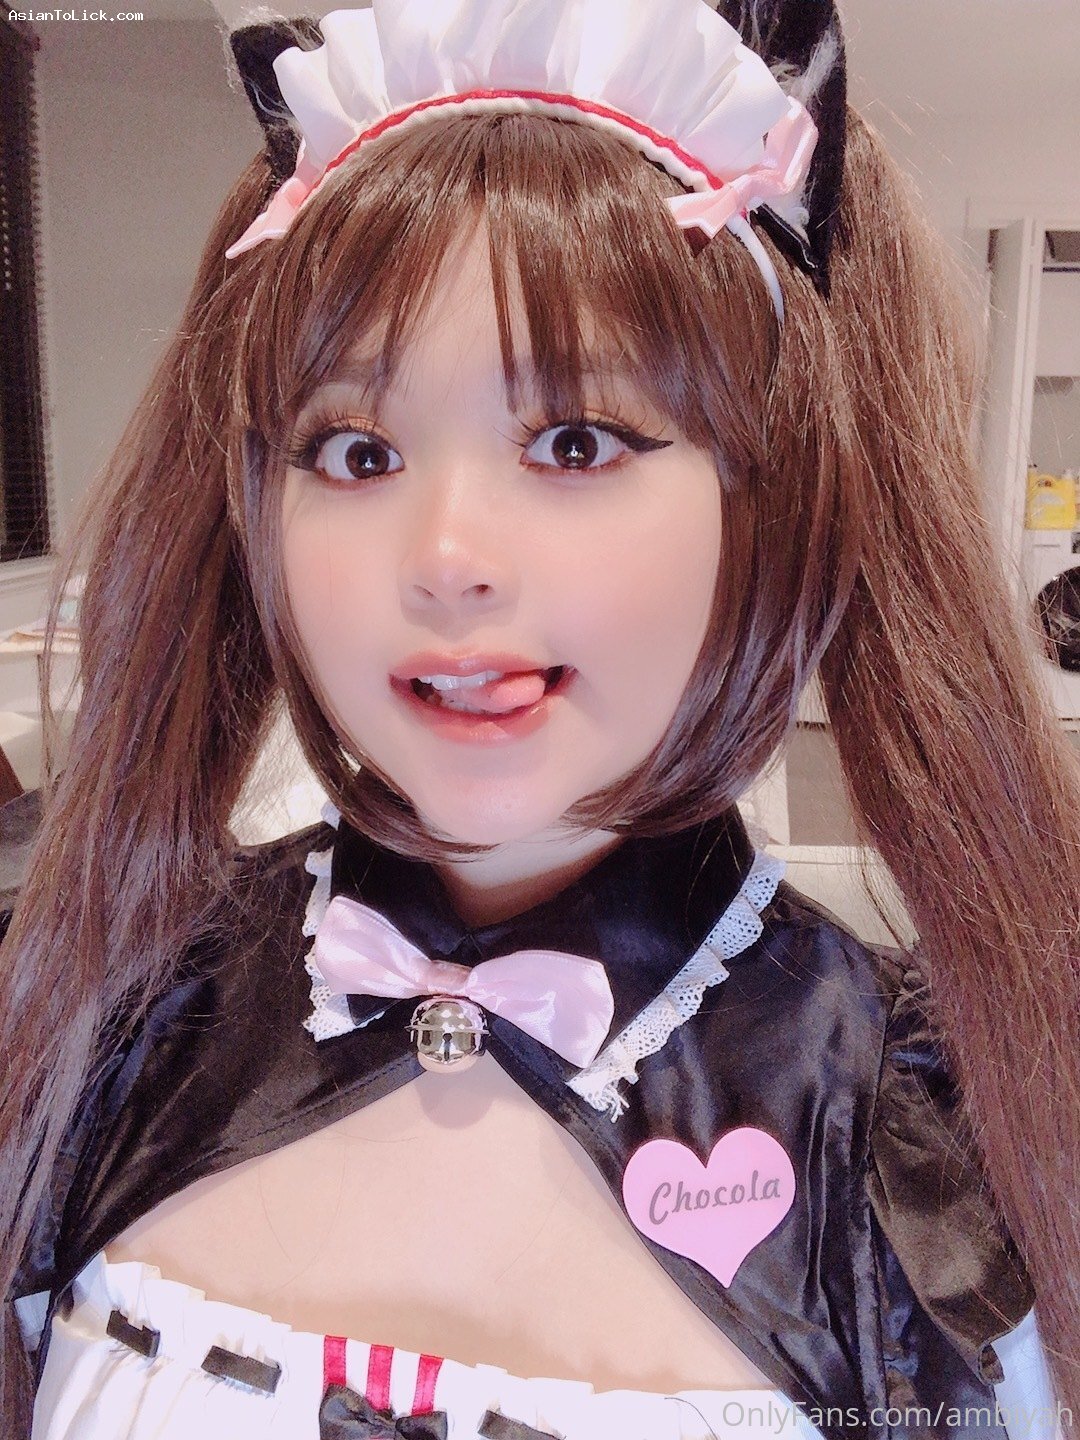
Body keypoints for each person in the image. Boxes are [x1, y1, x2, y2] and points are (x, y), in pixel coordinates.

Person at [1, 0, 1077, 1436]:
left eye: (575, 442)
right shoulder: (122, 1016)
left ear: (773, 496)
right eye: (356, 451)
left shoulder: (922, 1134)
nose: (446, 556)